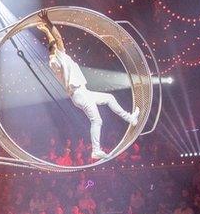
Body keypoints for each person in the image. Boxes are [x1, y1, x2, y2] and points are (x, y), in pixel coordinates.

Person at [35, 10, 139, 160]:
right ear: (55, 50)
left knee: (109, 97)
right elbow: (57, 38)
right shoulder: (58, 58)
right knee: (97, 120)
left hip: (82, 93)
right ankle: (96, 150)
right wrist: (47, 23)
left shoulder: (55, 60)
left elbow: (54, 42)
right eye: (57, 47)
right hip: (80, 94)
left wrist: (46, 29)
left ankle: (129, 118)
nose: (60, 46)